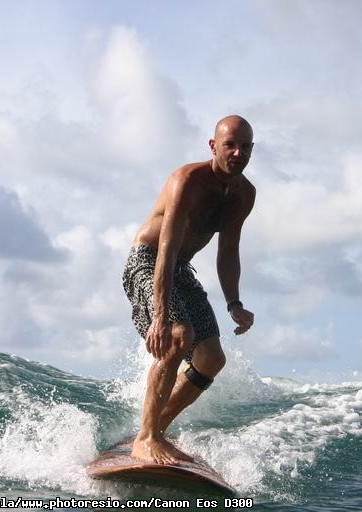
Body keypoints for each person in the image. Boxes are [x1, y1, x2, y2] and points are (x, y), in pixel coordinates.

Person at [121, 115, 256, 464]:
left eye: (245, 147)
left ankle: (155, 429)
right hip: (148, 260)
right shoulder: (187, 181)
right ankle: (146, 438)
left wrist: (234, 303)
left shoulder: (244, 195)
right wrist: (161, 317)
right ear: (213, 146)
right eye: (230, 145)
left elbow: (228, 251)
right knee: (178, 336)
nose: (238, 153)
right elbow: (165, 249)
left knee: (211, 358)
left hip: (181, 269)